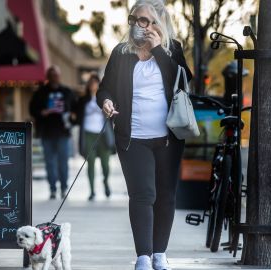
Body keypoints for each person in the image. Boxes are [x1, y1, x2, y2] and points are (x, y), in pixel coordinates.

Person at [96, 1, 192, 269]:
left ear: (159, 24)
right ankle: (143, 257)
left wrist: (158, 49)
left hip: (168, 138)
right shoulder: (121, 53)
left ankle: (159, 254)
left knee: (166, 195)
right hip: (132, 138)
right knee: (142, 195)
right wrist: (105, 102)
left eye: (148, 21)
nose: (142, 26)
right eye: (137, 20)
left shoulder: (173, 49)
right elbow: (104, 89)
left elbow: (184, 80)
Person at [29, 65, 76, 200]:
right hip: (46, 133)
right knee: (50, 163)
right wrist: (42, 112)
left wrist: (71, 117)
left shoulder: (67, 91)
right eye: (51, 75)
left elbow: (75, 109)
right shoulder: (40, 92)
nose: (54, 77)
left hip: (63, 132)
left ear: (59, 76)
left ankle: (64, 187)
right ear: (47, 77)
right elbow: (32, 110)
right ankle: (53, 188)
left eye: (56, 75)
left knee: (63, 162)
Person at [75, 74, 115, 201]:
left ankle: (106, 182)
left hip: (103, 134)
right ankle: (92, 191)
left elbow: (112, 116)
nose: (93, 85)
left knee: (105, 164)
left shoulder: (105, 99)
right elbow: (77, 116)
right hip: (88, 133)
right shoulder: (83, 100)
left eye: (96, 83)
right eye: (91, 83)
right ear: (88, 85)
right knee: (90, 163)